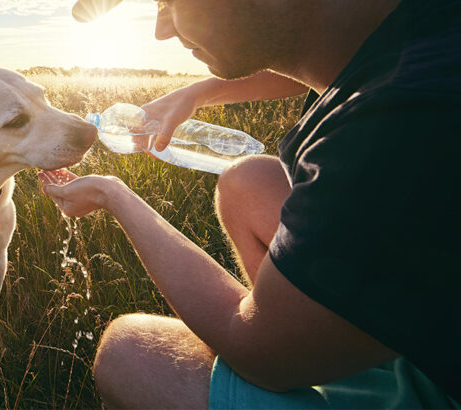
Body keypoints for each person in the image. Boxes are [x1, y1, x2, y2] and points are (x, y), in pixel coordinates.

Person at [38, 0, 461, 408]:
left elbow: (262, 357)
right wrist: (197, 93)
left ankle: (312, 345)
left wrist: (112, 195)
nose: (161, 29)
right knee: (246, 182)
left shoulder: (399, 125)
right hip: (430, 326)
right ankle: (324, 340)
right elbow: (314, 52)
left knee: (129, 354)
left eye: (169, 1)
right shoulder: (421, 26)